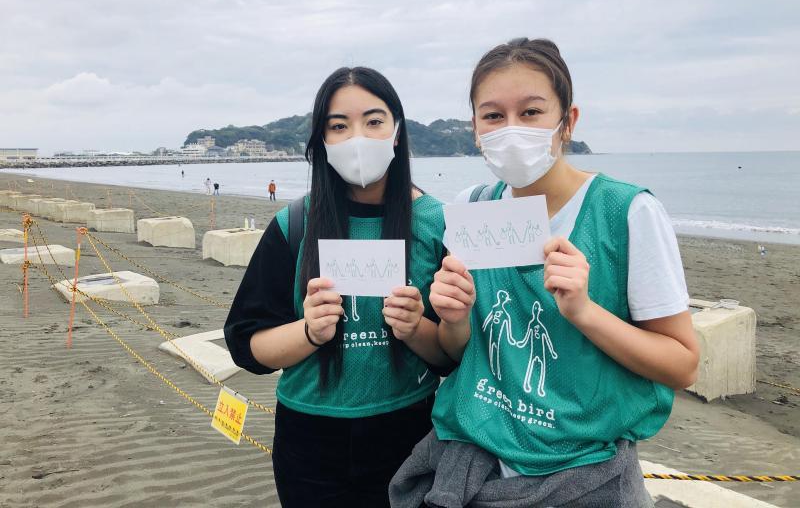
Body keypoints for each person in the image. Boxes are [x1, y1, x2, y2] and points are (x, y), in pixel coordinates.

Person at [390, 38, 699, 507]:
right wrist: (452, 318)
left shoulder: (627, 211)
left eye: (531, 112)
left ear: (567, 121)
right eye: (493, 116)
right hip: (471, 458)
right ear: (474, 128)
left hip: (583, 473)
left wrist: (584, 311)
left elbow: (682, 364)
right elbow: (461, 353)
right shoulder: (473, 208)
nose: (510, 130)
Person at [224, 66, 452, 508]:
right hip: (310, 440)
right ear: (321, 142)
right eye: (339, 126)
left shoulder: (437, 223)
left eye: (373, 121)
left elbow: (454, 356)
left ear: (397, 132)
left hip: (410, 431)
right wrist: (309, 332)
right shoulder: (294, 225)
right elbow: (247, 346)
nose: (358, 138)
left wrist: (416, 327)